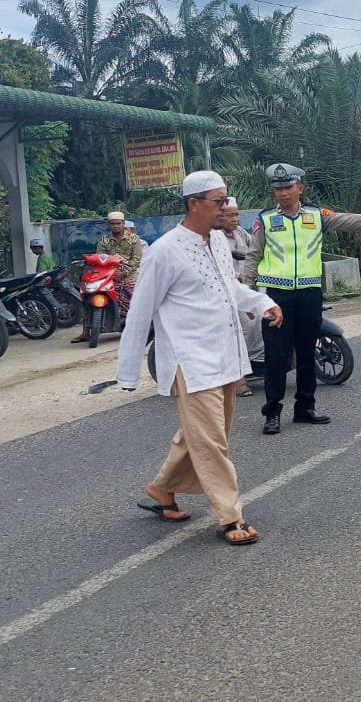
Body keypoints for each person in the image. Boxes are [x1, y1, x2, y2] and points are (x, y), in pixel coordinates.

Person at [115, 170, 282, 547]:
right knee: (212, 443)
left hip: (225, 354)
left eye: (227, 201)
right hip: (190, 362)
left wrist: (264, 303)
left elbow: (230, 288)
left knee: (208, 434)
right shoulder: (165, 251)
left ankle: (162, 488)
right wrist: (127, 371)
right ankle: (230, 514)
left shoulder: (219, 244)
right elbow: (140, 312)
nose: (227, 208)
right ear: (195, 204)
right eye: (219, 201)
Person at [244, 163, 361, 434]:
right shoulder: (265, 220)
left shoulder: (317, 215)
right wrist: (250, 298)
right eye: (278, 189)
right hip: (276, 298)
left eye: (288, 187)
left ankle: (305, 408)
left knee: (307, 353)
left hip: (309, 294)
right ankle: (272, 412)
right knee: (276, 356)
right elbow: (253, 256)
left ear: (300, 188)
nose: (283, 193)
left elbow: (349, 220)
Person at [72, 212, 145, 343]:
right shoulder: (104, 240)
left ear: (123, 224)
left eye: (118, 223)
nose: (116, 226)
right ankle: (86, 331)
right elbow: (99, 258)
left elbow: (136, 259)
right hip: (108, 276)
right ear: (109, 225)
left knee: (137, 298)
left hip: (130, 275)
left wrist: (123, 272)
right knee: (87, 296)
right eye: (113, 224)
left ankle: (145, 325)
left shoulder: (134, 239)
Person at [220, 197, 261, 397]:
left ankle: (258, 361)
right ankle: (239, 378)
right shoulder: (215, 237)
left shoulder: (239, 232)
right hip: (226, 292)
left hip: (248, 287)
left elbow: (254, 250)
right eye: (231, 215)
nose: (235, 219)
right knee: (243, 327)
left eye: (237, 214)